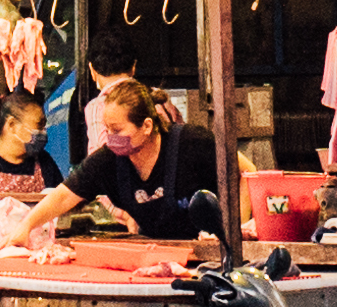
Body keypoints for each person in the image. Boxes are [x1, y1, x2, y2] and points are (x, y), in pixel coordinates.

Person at [19, 75, 221, 253]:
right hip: (160, 257)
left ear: (147, 126)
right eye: (107, 130)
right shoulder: (108, 161)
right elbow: (64, 196)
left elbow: (242, 172)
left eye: (117, 130)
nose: (110, 138)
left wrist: (234, 231)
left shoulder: (192, 143)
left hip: (209, 256)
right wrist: (25, 227)